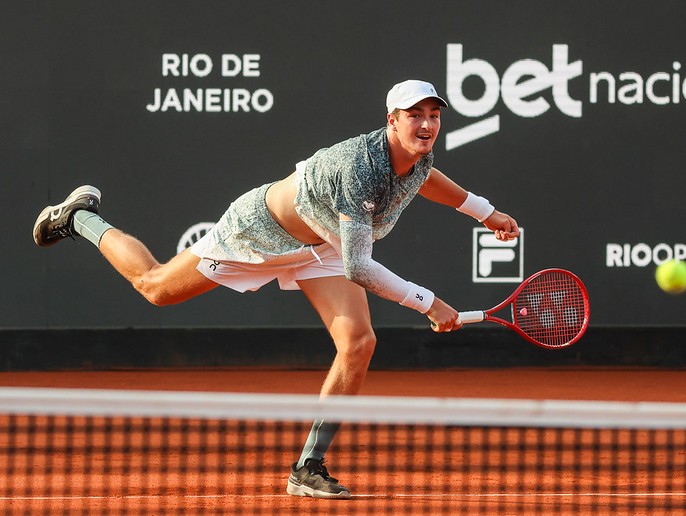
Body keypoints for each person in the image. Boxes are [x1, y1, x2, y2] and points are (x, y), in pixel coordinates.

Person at [32, 79, 520, 499]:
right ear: (391, 120)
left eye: (433, 115)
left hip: (327, 241)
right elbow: (360, 268)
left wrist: (487, 213)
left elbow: (427, 180)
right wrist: (427, 302)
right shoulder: (360, 169)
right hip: (262, 233)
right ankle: (80, 217)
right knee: (155, 287)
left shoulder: (417, 157)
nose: (427, 124)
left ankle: (308, 468)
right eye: (415, 115)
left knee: (358, 343)